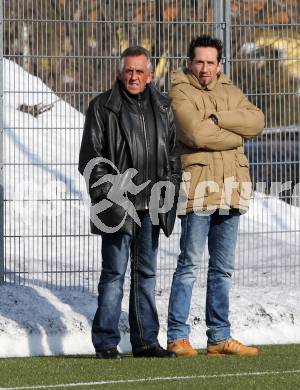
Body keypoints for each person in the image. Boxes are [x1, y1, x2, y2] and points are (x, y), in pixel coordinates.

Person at [79, 46, 181, 359]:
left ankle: (146, 342)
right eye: (128, 71)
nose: (133, 76)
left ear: (150, 76)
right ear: (121, 72)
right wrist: (111, 195)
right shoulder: (102, 107)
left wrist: (169, 192)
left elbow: (174, 157)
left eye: (139, 71)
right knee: (113, 276)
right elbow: (91, 160)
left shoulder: (164, 108)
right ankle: (106, 342)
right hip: (116, 208)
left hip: (151, 206)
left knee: (146, 276)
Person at [167, 35, 264, 357]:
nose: (205, 68)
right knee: (190, 265)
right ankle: (178, 336)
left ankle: (219, 337)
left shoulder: (230, 90)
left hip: (231, 188)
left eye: (211, 62)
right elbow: (193, 133)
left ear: (219, 64)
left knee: (222, 269)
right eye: (199, 62)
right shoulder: (180, 90)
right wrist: (236, 137)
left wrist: (219, 119)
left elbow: (257, 121)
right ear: (189, 63)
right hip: (198, 190)